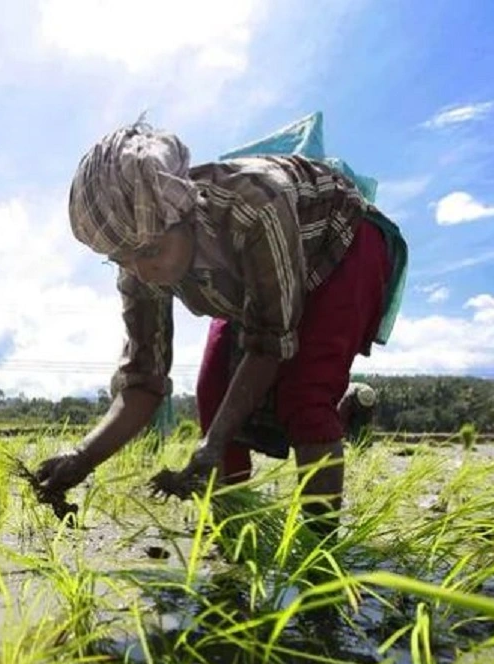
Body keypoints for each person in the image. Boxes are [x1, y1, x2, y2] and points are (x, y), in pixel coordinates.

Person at [34, 119, 408, 536]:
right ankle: (233, 535)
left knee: (306, 392)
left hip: (339, 245)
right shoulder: (140, 266)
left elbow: (269, 342)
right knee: (214, 391)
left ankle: (318, 554)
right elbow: (143, 382)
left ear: (184, 215)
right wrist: (82, 457)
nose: (141, 270)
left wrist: (213, 442)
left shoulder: (253, 205)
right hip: (254, 279)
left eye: (151, 251)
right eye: (122, 259)